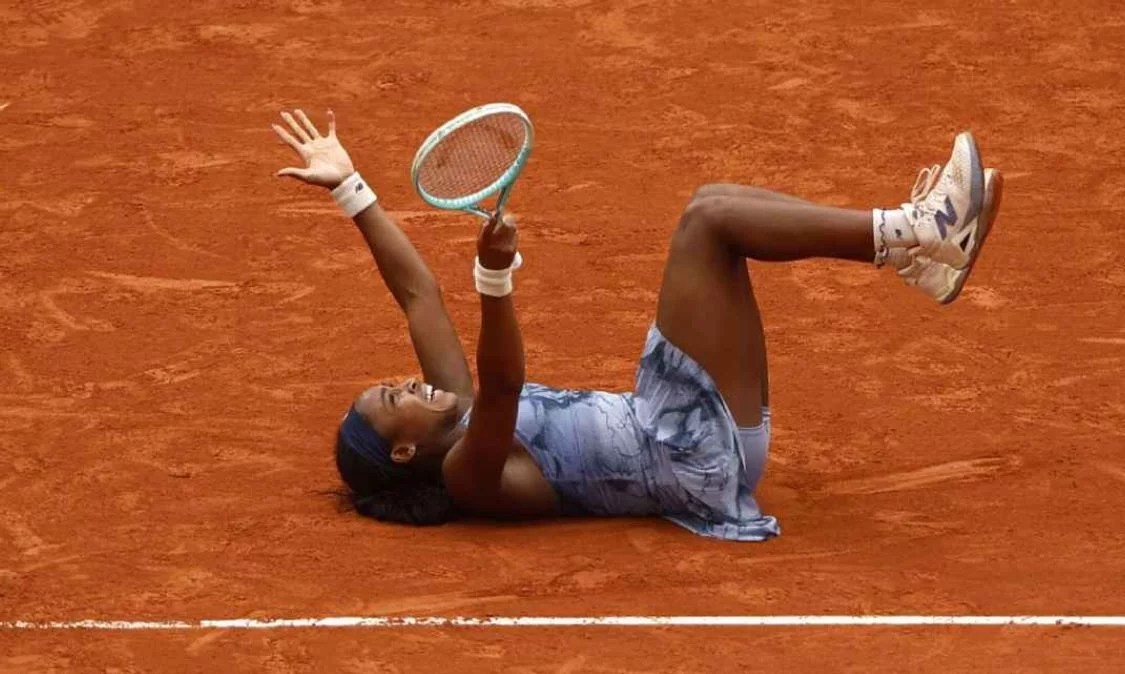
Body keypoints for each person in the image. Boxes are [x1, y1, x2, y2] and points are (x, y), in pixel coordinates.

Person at [271, 108, 1002, 541]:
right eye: (395, 397)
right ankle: (917, 232)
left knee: (712, 202)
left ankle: (918, 253)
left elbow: (418, 297)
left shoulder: (451, 414)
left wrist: (350, 187)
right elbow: (503, 386)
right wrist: (495, 277)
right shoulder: (469, 477)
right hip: (687, 454)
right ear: (404, 452)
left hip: (674, 425)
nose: (408, 383)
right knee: (709, 224)